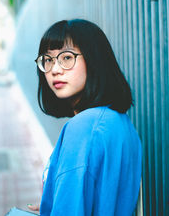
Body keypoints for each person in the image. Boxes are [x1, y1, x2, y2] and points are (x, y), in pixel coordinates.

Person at [29, 19, 142, 216]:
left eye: (66, 58)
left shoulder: (83, 128)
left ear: (94, 59)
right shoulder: (119, 122)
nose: (55, 69)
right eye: (48, 60)